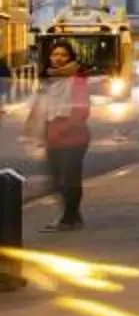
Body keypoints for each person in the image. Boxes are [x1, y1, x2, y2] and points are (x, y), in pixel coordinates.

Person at [24, 40, 92, 231]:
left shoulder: (76, 80)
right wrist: (33, 127)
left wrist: (66, 127)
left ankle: (69, 219)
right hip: (52, 137)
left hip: (73, 138)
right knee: (55, 180)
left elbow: (82, 109)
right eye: (55, 55)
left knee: (69, 179)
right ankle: (73, 216)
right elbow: (39, 106)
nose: (58, 58)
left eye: (63, 55)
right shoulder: (48, 81)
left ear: (70, 57)